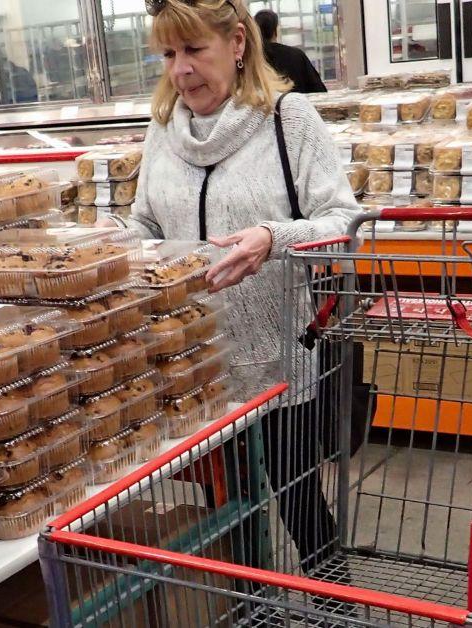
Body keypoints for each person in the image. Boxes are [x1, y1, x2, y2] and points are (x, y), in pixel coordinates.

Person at [109, 0, 359, 578]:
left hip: (275, 356)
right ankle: (250, 607)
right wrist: (113, 237)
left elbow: (346, 226)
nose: (181, 70)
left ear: (238, 43)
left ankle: (332, 603)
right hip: (189, 362)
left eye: (195, 50)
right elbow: (147, 222)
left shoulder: (288, 120)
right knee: (229, 510)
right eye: (169, 53)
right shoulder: (163, 129)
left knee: (300, 505)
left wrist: (274, 238)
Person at [254, 9, 326, 94]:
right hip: (298, 106)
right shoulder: (296, 56)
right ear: (275, 31)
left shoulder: (250, 59)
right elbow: (319, 91)